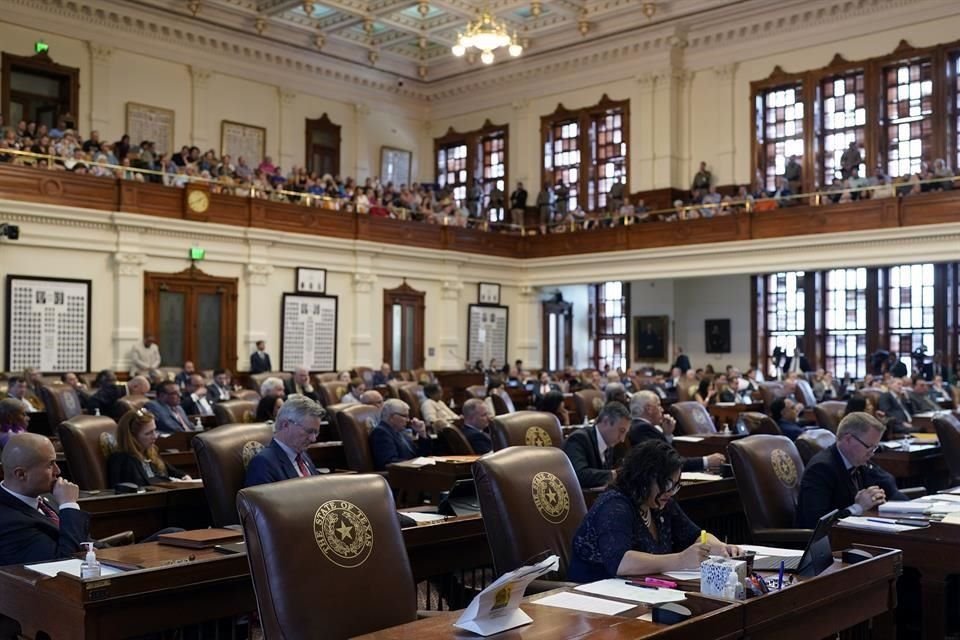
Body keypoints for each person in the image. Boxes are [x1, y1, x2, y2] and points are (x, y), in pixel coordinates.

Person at [568, 440, 739, 582]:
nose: (670, 491)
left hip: (637, 591)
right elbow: (620, 562)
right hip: (594, 596)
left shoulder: (660, 503)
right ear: (644, 478)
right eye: (666, 484)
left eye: (675, 485)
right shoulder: (614, 505)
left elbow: (695, 535)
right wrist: (680, 560)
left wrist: (721, 548)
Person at [796, 412, 906, 528]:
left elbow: (887, 482)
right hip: (822, 541)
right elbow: (816, 523)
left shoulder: (858, 462)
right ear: (848, 439)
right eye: (869, 447)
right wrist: (858, 507)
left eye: (875, 448)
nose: (872, 454)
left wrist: (875, 498)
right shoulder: (821, 469)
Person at [0, 433, 88, 566]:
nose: (57, 471)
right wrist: (69, 505)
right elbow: (64, 563)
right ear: (21, 474)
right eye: (50, 464)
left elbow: (83, 540)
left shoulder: (48, 498)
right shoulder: (7, 522)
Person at [627, 391, 725, 473]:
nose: (662, 409)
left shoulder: (641, 427)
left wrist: (667, 434)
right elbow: (669, 462)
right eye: (659, 405)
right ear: (649, 409)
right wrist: (706, 461)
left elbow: (667, 456)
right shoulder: (642, 429)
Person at [244, 395, 326, 486]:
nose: (313, 439)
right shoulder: (263, 464)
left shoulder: (301, 454)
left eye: (316, 432)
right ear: (285, 425)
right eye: (309, 431)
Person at [107, 409, 191, 487]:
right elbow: (141, 485)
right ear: (132, 437)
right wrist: (170, 482)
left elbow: (172, 471)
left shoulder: (150, 450)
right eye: (148, 433)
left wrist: (184, 477)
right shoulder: (122, 460)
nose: (155, 436)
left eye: (154, 430)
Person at [563, 402, 630, 489]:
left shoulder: (609, 443)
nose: (622, 439)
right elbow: (578, 475)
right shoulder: (579, 439)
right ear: (606, 421)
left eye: (625, 433)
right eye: (621, 431)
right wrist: (615, 474)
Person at [369, 398, 433, 470]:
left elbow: (419, 455)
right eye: (404, 416)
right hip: (401, 477)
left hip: (414, 472)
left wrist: (422, 433)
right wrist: (417, 463)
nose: (408, 420)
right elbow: (390, 463)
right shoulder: (381, 433)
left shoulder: (400, 431)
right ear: (392, 417)